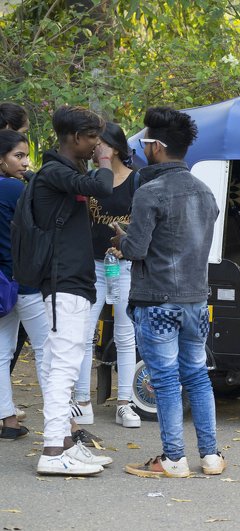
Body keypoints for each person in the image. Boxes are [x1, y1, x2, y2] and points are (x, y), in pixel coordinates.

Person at [115, 106, 224, 478]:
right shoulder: (205, 192)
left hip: (158, 300)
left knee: (164, 380)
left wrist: (120, 239)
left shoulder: (151, 191)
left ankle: (173, 458)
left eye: (145, 143)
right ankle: (211, 457)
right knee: (196, 375)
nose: (143, 150)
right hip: (196, 300)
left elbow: (137, 250)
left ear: (156, 146)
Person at [31, 106, 115, 476]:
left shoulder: (67, 173)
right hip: (61, 279)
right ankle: (52, 449)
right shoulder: (55, 171)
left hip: (75, 278)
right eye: (94, 137)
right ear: (76, 138)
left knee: (64, 359)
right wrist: (107, 160)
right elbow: (104, 187)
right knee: (62, 363)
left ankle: (65, 443)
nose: (98, 144)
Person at [71, 122, 141, 429]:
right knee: (85, 334)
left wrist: (128, 249)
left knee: (126, 336)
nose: (95, 147)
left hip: (123, 265)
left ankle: (124, 403)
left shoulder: (135, 180)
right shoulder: (91, 180)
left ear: (114, 147)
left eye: (101, 143)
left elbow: (142, 223)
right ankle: (81, 401)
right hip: (94, 265)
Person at [0, 129, 44, 440]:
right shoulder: (15, 189)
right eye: (18, 156)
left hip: (2, 285)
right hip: (23, 280)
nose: (25, 162)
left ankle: (8, 420)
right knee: (47, 350)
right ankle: (67, 426)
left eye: (26, 156)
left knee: (2, 353)